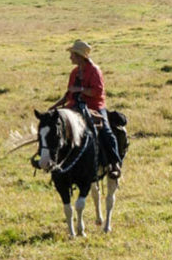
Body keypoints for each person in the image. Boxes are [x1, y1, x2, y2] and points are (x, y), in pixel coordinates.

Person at [49, 40, 120, 178]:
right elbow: (69, 94)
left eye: (72, 55)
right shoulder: (74, 72)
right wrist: (53, 107)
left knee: (106, 131)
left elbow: (97, 92)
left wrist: (80, 89)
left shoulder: (94, 71)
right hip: (74, 107)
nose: (70, 57)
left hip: (94, 106)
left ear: (79, 56)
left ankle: (114, 163)